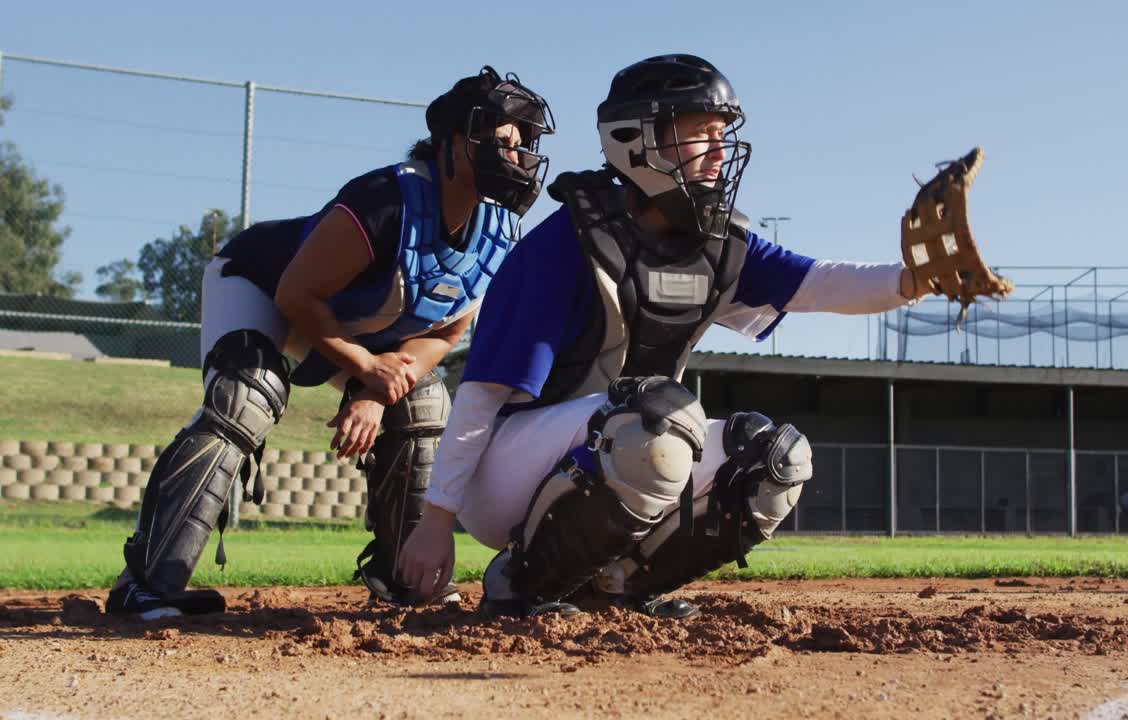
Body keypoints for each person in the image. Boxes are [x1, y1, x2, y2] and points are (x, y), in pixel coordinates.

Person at [397, 54, 935, 619]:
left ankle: (615, 587)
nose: (721, 152)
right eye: (703, 134)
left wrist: (914, 279)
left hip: (627, 440)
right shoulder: (566, 245)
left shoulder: (717, 242)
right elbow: (482, 394)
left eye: (723, 134)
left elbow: (820, 283)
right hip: (504, 473)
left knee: (774, 461)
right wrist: (437, 521)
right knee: (660, 417)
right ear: (638, 140)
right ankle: (522, 584)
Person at [106, 66, 554, 620]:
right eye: (495, 137)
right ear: (450, 143)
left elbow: (444, 333)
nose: (511, 154)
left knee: (422, 401)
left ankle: (403, 576)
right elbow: (297, 294)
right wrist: (365, 364)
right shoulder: (386, 197)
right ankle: (145, 582)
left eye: (520, 143)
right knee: (246, 398)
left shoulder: (497, 230)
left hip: (358, 328)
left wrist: (375, 388)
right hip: (264, 286)